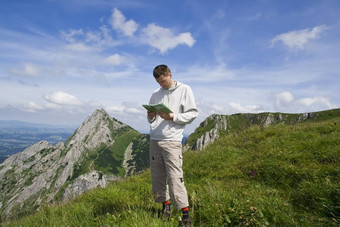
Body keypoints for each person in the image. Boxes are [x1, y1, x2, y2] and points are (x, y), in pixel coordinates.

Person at [147, 64, 198, 226]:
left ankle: (185, 215)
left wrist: (173, 117)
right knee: (158, 177)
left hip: (172, 140)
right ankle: (166, 208)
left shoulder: (185, 89)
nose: (162, 85)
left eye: (164, 81)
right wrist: (150, 115)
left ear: (170, 74)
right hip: (155, 139)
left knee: (175, 177)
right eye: (159, 83)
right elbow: (151, 120)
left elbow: (192, 113)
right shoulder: (156, 93)